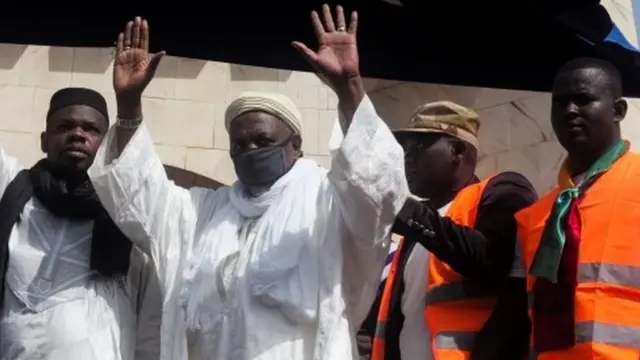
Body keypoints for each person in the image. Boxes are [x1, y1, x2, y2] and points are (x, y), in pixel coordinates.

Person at [88, 7, 408, 360]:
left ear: (296, 145)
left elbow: (378, 191)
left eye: (261, 141)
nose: (249, 150)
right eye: (239, 145)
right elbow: (140, 198)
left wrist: (349, 87)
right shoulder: (208, 212)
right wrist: (129, 105)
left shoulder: (328, 202)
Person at [0, 87, 161, 359]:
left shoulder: (130, 215)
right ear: (44, 140)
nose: (77, 134)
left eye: (91, 129)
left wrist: (130, 103)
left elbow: (152, 331)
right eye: (65, 126)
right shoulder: (14, 192)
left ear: (106, 145)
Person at [369, 101, 537, 360]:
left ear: (456, 150)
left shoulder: (503, 190)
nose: (406, 158)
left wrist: (410, 212)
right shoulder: (416, 229)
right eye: (403, 148)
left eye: (418, 147)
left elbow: (493, 261)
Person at [515, 57, 640, 359]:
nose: (569, 111)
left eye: (584, 100)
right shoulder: (534, 217)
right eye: (559, 103)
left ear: (618, 111)